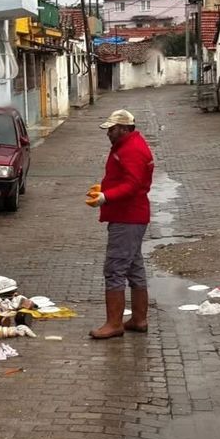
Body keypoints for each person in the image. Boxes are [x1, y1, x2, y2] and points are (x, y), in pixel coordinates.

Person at [85, 109, 154, 339]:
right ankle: (139, 319)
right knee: (134, 267)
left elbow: (133, 184)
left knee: (115, 269)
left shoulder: (131, 149)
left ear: (124, 129)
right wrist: (104, 189)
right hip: (131, 216)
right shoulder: (129, 145)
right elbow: (127, 180)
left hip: (127, 217)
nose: (108, 133)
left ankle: (114, 323)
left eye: (112, 129)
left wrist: (106, 196)